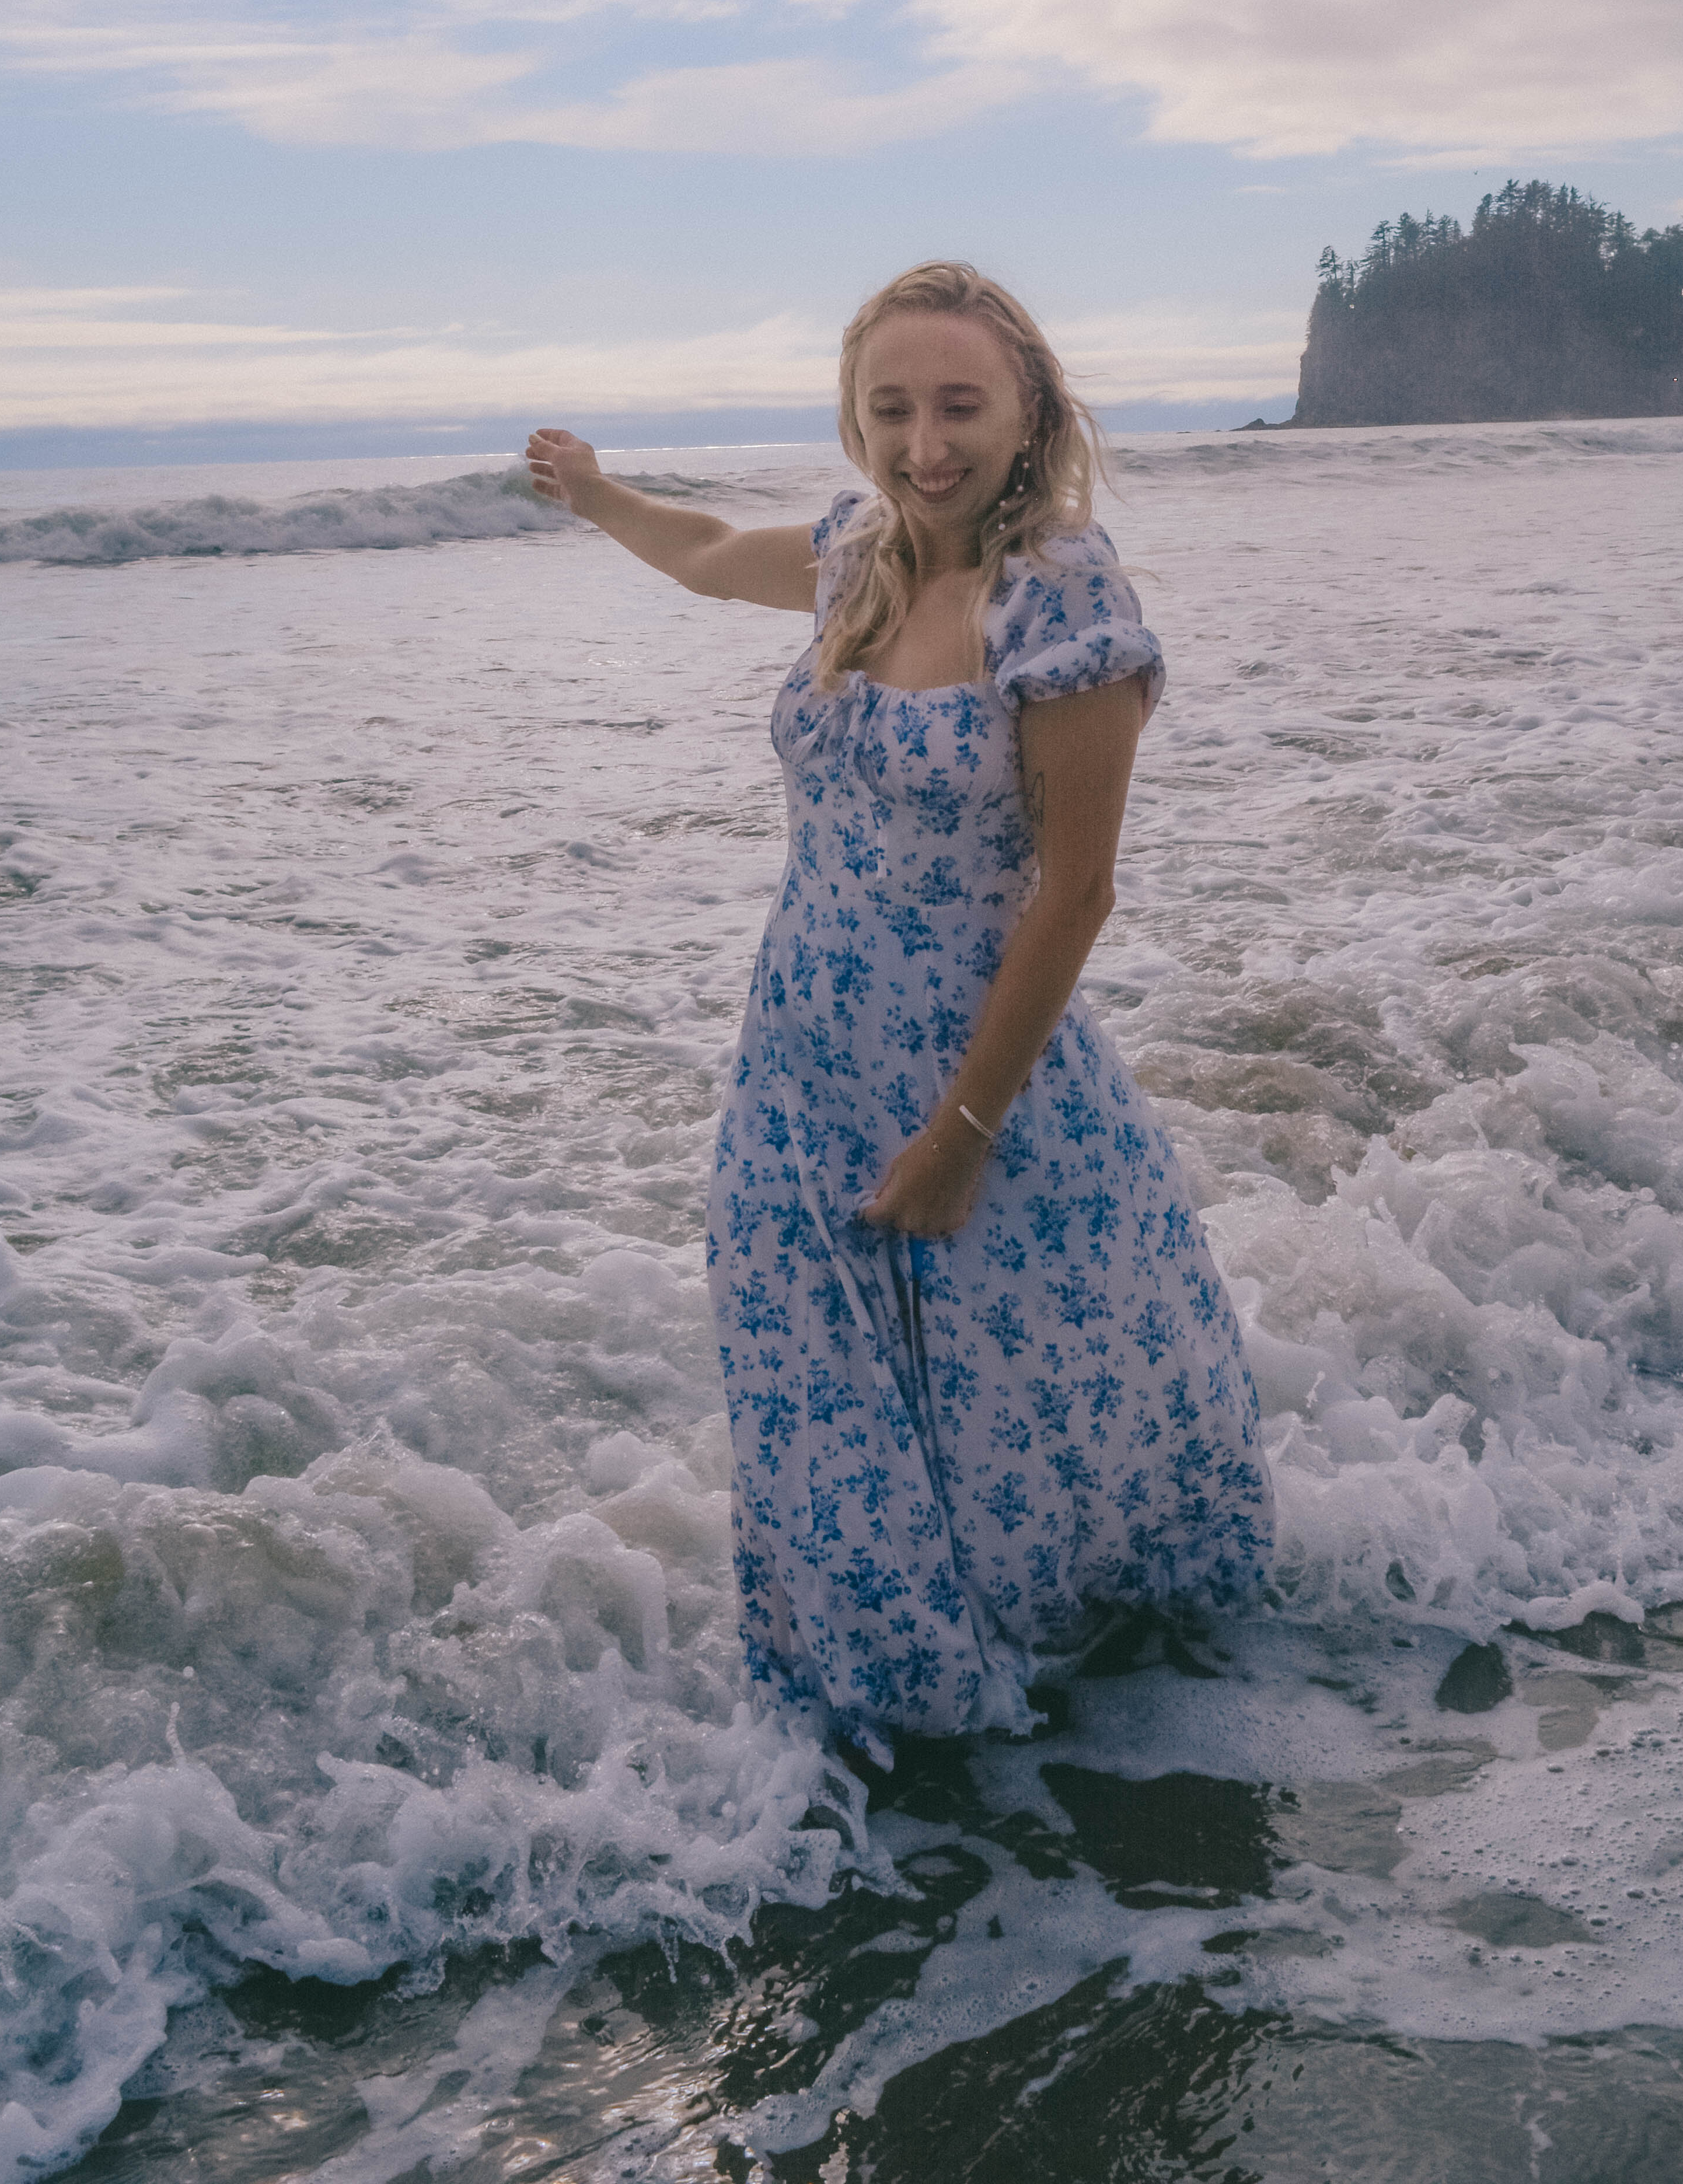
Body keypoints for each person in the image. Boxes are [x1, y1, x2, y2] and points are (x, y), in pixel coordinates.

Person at [526, 259, 1273, 1740]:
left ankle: (1070, 1756)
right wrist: (599, 495)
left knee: (1018, 1428)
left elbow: (1075, 893)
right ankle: (877, 1725)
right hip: (796, 1072)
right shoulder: (855, 555)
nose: (924, 444)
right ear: (854, 422)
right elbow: (701, 548)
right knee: (824, 1417)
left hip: (977, 1080)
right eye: (890, 410)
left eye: (957, 406)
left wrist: (963, 1133)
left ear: (1027, 410)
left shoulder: (1060, 594)